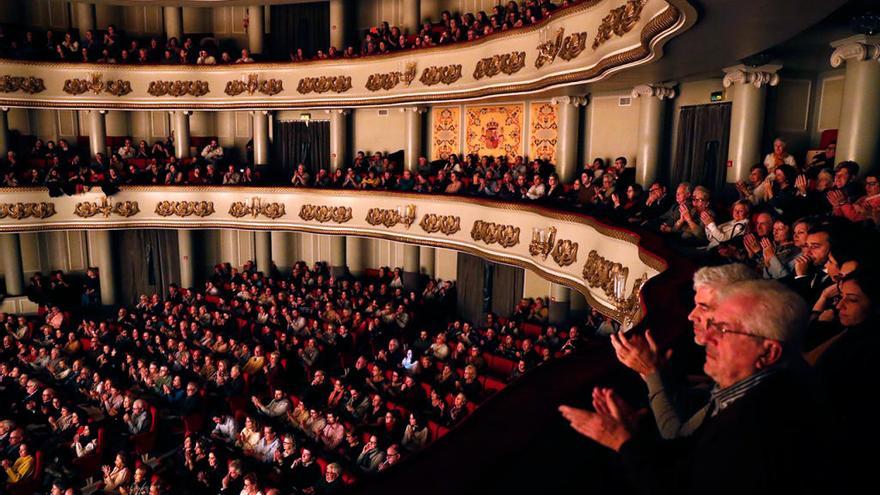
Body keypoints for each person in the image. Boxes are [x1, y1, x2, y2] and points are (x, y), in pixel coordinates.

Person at [561, 279, 834, 494]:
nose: (709, 337)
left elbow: (684, 484)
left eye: (725, 330)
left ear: (769, 353)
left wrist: (621, 441)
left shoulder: (766, 420)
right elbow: (690, 457)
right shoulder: (750, 394)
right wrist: (632, 434)